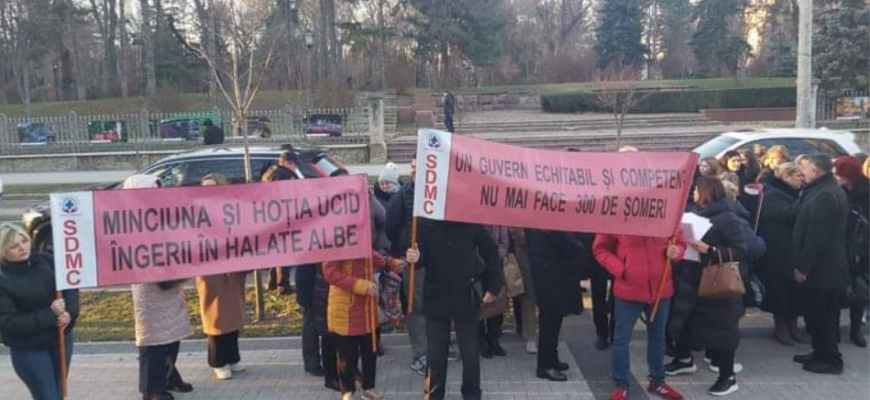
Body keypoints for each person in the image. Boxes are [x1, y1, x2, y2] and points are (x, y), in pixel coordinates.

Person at [405, 221, 502, 400]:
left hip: (465, 294)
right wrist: (415, 258)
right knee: (435, 354)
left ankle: (472, 394)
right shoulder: (426, 221)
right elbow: (420, 258)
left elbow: (490, 251)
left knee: (470, 351)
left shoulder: (470, 220)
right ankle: (433, 395)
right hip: (436, 296)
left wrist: (494, 286)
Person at [124, 175, 194, 400]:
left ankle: (169, 377)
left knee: (173, 336)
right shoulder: (130, 220)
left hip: (171, 284)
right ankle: (151, 389)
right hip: (150, 288)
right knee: (153, 341)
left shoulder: (161, 213)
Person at [594, 229, 686, 400]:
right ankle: (621, 384)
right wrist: (622, 269)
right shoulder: (619, 215)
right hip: (630, 290)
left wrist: (677, 252)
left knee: (658, 338)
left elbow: (680, 242)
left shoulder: (667, 213)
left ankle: (657, 381)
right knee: (621, 340)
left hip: (660, 289)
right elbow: (600, 249)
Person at [677, 177, 749, 396]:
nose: (694, 194)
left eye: (697, 190)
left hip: (720, 284)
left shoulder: (727, 218)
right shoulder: (700, 214)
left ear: (707, 192)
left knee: (722, 332)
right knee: (700, 327)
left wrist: (709, 250)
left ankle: (727, 377)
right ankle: (685, 360)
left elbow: (741, 250)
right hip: (698, 279)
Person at [0, 224, 78, 400]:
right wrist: (50, 314)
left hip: (60, 339)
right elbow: (8, 323)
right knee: (47, 396)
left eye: (24, 241)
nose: (22, 248)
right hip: (29, 349)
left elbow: (70, 286)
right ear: (2, 251)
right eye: (14, 246)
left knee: (59, 393)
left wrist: (70, 314)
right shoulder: (3, 280)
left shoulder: (48, 261)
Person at [792, 154, 851, 375]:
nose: (803, 174)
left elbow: (817, 237)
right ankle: (819, 351)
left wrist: (803, 267)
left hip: (824, 269)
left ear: (815, 172)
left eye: (805, 170)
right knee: (815, 313)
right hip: (825, 267)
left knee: (823, 316)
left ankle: (831, 359)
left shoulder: (826, 194)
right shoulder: (824, 190)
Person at [323, 252, 405, 400]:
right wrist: (360, 285)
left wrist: (390, 263)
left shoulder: (362, 237)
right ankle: (348, 390)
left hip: (367, 307)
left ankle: (369, 387)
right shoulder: (337, 242)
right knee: (347, 354)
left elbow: (372, 255)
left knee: (370, 350)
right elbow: (330, 273)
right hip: (345, 309)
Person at [195, 173, 247, 380]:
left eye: (212, 186)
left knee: (233, 315)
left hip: (232, 270)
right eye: (204, 186)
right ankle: (218, 361)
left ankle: (233, 357)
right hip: (209, 269)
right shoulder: (196, 212)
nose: (208, 190)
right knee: (215, 317)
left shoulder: (230, 209)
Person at [755, 163, 808, 346]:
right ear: (786, 177)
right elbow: (787, 214)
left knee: (795, 291)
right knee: (781, 291)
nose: (802, 179)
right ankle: (781, 326)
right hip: (777, 252)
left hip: (792, 251)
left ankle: (793, 325)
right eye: (798, 176)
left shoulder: (792, 193)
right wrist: (804, 200)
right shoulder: (773, 194)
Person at [385, 157, 428, 375]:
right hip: (412, 262)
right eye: (412, 168)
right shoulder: (402, 196)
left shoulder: (436, 194)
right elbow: (390, 228)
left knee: (433, 306)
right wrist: (404, 248)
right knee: (416, 307)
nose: (413, 172)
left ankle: (435, 347)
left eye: (417, 168)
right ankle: (421, 354)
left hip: (435, 260)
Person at [526, 229, 586, 382]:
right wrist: (578, 244)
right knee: (549, 322)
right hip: (549, 274)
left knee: (554, 319)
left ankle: (551, 359)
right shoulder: (546, 221)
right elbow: (563, 241)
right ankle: (545, 365)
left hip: (550, 272)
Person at [833, 156, 870, 348]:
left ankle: (856, 329)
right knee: (839, 288)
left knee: (860, 291)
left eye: (838, 173)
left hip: (862, 248)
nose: (836, 177)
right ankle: (835, 328)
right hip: (841, 245)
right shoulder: (838, 191)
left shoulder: (865, 192)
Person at [262, 151, 302, 294]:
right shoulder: (286, 176)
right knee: (286, 252)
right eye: (295, 165)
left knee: (276, 251)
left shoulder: (270, 173)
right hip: (285, 219)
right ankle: (283, 285)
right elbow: (290, 197)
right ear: (289, 162)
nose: (295, 168)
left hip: (271, 219)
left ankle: (272, 282)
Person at [480, 225, 510, 359]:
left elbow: (505, 242)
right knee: (479, 303)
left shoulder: (499, 219)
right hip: (478, 265)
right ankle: (481, 341)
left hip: (495, 263)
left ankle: (494, 339)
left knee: (496, 303)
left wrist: (495, 254)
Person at [508, 228, 538, 354]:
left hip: (546, 250)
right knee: (528, 297)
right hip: (525, 254)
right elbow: (516, 232)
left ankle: (544, 332)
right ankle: (530, 336)